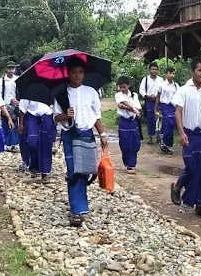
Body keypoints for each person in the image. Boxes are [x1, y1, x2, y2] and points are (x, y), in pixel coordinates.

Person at [54, 57, 109, 227]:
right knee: (73, 170)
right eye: (74, 72)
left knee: (85, 170)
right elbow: (55, 117)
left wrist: (102, 134)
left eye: (80, 72)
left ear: (84, 74)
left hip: (86, 134)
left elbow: (96, 116)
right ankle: (77, 210)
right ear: (68, 74)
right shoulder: (61, 94)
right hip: (70, 135)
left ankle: (81, 203)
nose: (77, 75)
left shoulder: (91, 92)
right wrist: (65, 115)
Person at [170, 58, 201, 220]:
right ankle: (179, 187)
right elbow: (178, 111)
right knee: (192, 167)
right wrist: (181, 133)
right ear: (192, 72)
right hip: (189, 134)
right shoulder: (184, 90)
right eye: (200, 70)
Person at [19, 97, 56, 183]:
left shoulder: (51, 91)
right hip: (32, 116)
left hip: (47, 115)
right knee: (32, 142)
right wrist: (21, 124)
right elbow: (22, 108)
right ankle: (34, 166)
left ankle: (45, 172)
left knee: (46, 144)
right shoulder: (29, 91)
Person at [115, 76, 142, 174]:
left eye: (124, 87)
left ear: (128, 85)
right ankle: (128, 163)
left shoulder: (134, 95)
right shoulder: (118, 95)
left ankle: (131, 164)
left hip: (133, 121)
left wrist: (131, 108)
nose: (122, 89)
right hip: (124, 121)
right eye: (120, 87)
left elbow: (138, 108)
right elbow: (121, 104)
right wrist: (133, 109)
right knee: (125, 143)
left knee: (135, 143)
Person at [139, 62, 165, 144]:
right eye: (152, 69)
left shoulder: (161, 80)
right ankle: (150, 137)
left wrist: (158, 96)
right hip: (149, 102)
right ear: (149, 70)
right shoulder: (145, 79)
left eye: (156, 69)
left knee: (159, 119)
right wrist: (147, 95)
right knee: (150, 120)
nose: (154, 71)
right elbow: (141, 90)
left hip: (159, 102)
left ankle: (158, 136)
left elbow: (163, 90)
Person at [155, 67, 179, 155]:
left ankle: (165, 144)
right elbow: (158, 97)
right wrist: (156, 109)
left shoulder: (176, 85)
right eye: (170, 73)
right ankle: (164, 143)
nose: (172, 75)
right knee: (169, 123)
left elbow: (179, 97)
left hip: (173, 107)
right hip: (164, 106)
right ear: (166, 74)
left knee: (169, 126)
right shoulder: (162, 85)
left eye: (173, 73)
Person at [0, 61, 20, 152]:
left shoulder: (17, 79)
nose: (11, 70)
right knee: (5, 123)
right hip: (5, 105)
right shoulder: (2, 80)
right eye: (9, 68)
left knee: (14, 124)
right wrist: (0, 105)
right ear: (6, 69)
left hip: (14, 105)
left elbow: (19, 92)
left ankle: (14, 144)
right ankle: (6, 144)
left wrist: (18, 101)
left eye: (12, 68)